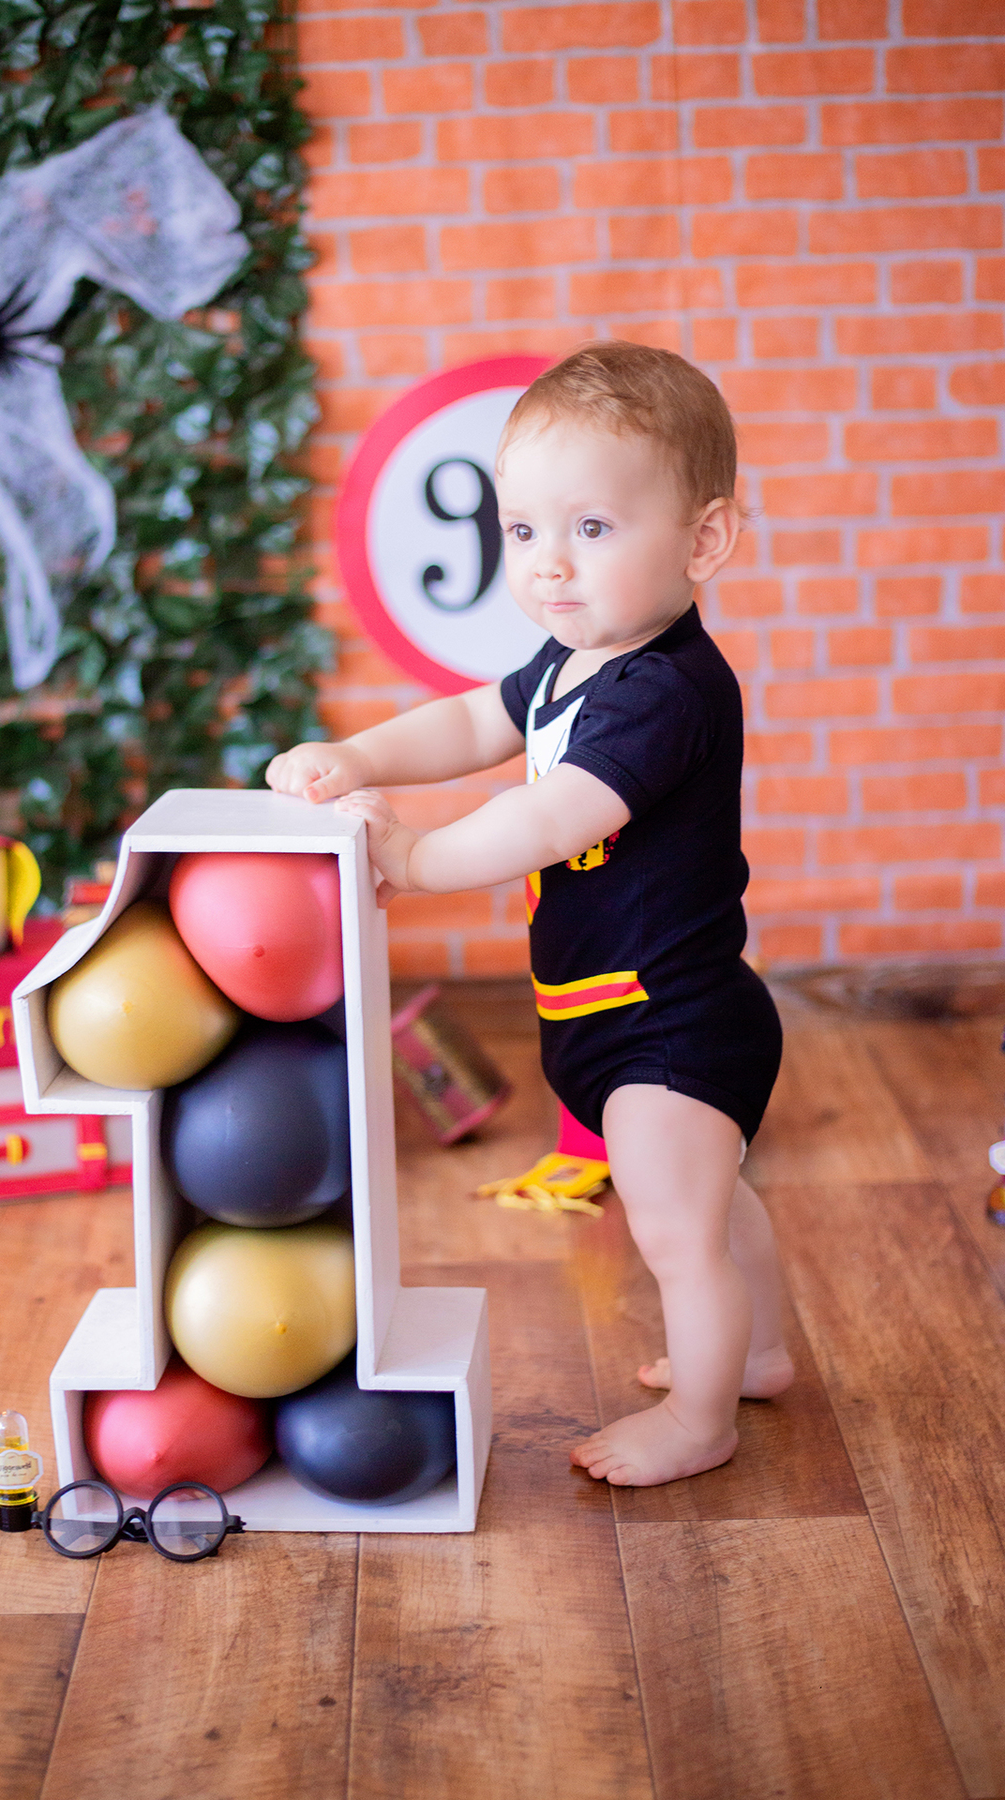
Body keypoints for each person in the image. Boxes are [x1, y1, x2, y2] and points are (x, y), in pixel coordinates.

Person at [267, 341, 790, 1488]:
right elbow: (467, 725)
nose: (550, 565)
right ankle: (756, 1350)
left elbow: (550, 819)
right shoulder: (572, 660)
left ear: (704, 540)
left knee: (674, 1230)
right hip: (605, 1010)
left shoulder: (666, 691)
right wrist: (359, 753)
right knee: (713, 1200)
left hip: (672, 1022)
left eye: (592, 530)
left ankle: (704, 1419)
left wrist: (415, 851)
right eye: (524, 532)